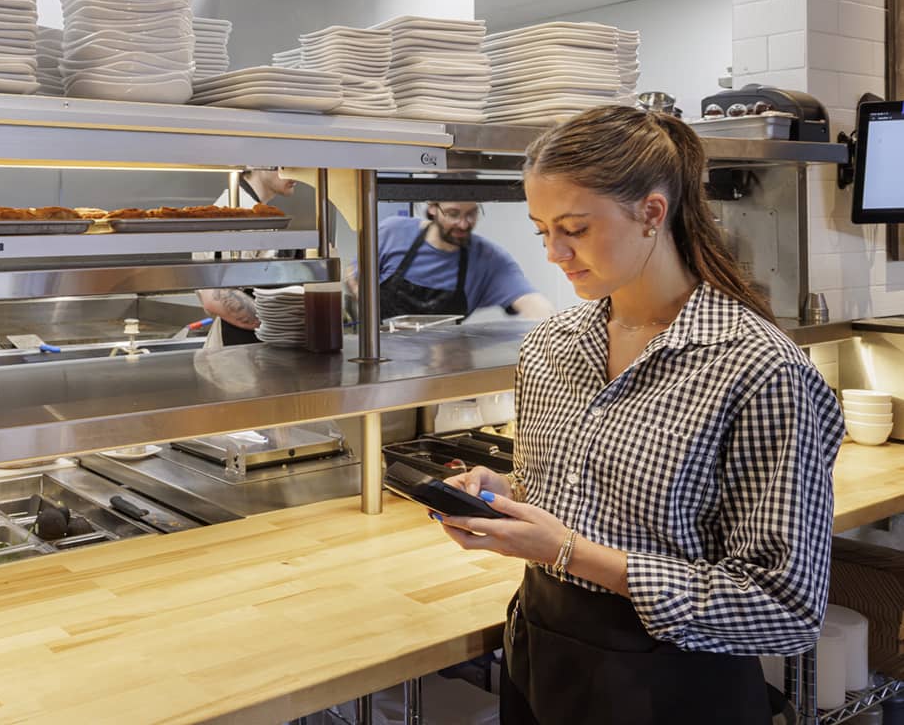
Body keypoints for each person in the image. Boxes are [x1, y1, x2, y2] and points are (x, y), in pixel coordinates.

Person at [433, 107, 844, 725]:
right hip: (542, 657)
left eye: (574, 227)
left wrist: (568, 550)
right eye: (542, 228)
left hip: (673, 686)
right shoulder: (550, 344)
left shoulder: (758, 367)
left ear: (652, 213)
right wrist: (507, 496)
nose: (553, 252)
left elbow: (783, 607)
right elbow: (599, 498)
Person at [351, 201, 553, 320]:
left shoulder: (488, 259)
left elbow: (530, 300)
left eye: (472, 213)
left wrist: (557, 335)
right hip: (383, 362)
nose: (464, 224)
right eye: (453, 214)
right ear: (432, 208)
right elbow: (354, 277)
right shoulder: (392, 232)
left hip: (444, 369)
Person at [196, 167, 297, 347]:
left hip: (249, 351)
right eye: (285, 162)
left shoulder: (256, 210)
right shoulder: (239, 209)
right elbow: (215, 296)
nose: (296, 172)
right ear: (254, 163)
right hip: (235, 358)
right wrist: (287, 327)